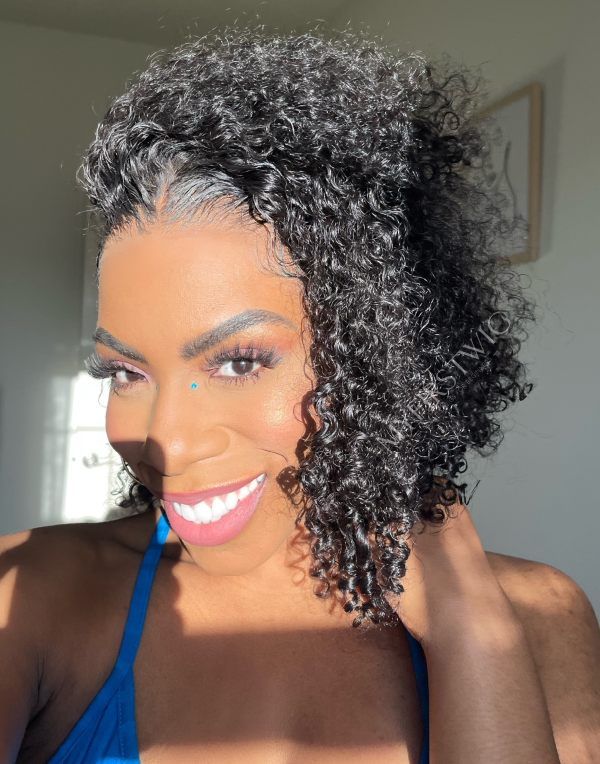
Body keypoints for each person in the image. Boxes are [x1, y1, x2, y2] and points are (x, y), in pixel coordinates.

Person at [2, 24, 599, 764]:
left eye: (240, 361)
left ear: (381, 356)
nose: (168, 441)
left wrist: (470, 627)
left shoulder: (540, 615)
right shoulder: (34, 599)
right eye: (126, 372)